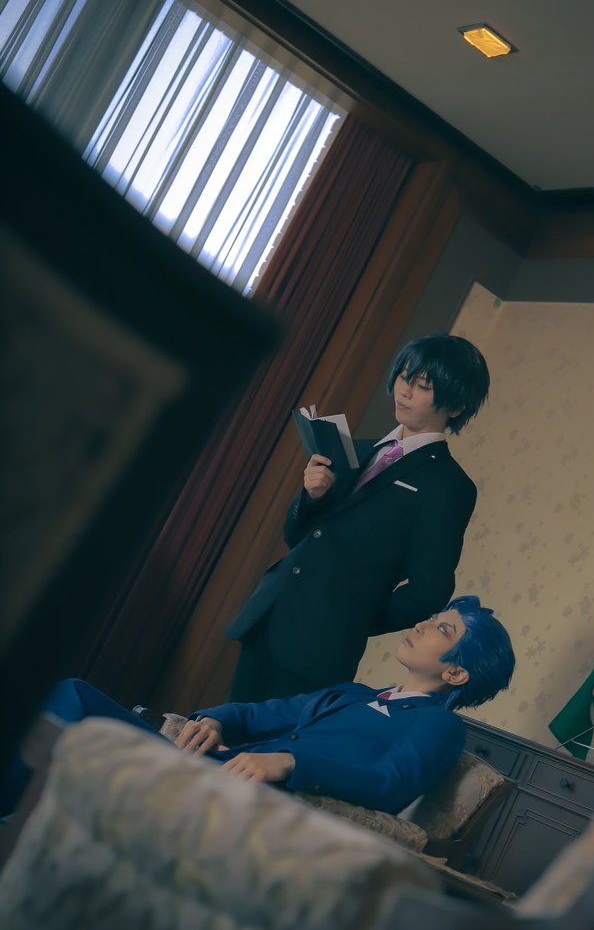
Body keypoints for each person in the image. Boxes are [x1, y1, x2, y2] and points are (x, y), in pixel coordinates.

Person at [1, 597, 514, 818]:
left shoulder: (440, 726)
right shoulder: (354, 692)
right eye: (432, 617)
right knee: (73, 695)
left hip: (253, 795)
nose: (422, 624)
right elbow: (256, 713)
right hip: (209, 762)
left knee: (72, 709)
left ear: (455, 673)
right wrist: (214, 719)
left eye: (442, 628)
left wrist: (290, 762)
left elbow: (389, 785)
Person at [226, 332, 491, 702]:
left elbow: (428, 592)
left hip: (318, 647)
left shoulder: (448, 485)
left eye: (422, 386)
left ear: (457, 405)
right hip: (268, 613)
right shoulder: (358, 449)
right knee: (222, 726)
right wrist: (311, 497)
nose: (404, 391)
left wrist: (351, 616)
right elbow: (297, 535)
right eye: (404, 376)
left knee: (271, 737)